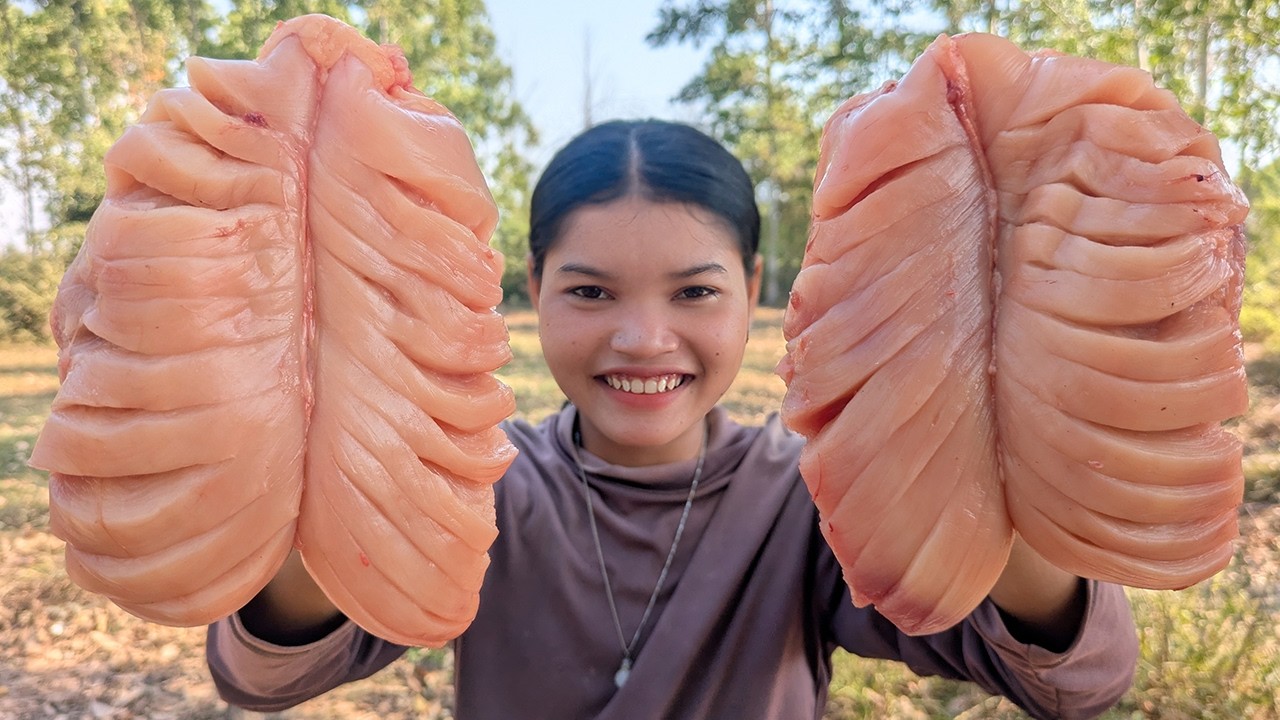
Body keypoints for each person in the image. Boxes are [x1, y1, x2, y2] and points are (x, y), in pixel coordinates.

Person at [206, 119, 1138, 719]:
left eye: (694, 290)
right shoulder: (478, 483)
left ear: (754, 292)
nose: (644, 338)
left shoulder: (813, 494)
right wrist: (326, 420)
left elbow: (1075, 676)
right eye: (591, 291)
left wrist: (998, 415)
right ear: (533, 293)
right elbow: (268, 671)